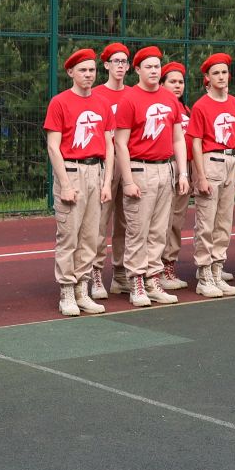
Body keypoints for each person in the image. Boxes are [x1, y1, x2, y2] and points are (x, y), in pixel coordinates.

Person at [112, 45, 190, 308]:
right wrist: (129, 180)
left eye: (157, 66)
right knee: (138, 229)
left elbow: (178, 138)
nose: (154, 71)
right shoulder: (130, 99)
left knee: (159, 230)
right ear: (137, 70)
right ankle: (136, 281)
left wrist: (182, 172)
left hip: (165, 169)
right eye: (149, 66)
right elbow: (120, 143)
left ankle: (153, 280)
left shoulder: (170, 99)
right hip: (139, 168)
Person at [43, 48, 112, 317]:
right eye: (82, 70)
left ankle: (83, 289)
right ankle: (67, 292)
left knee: (91, 236)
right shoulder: (60, 102)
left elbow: (110, 145)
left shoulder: (103, 103)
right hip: (71, 171)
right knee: (69, 235)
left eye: (92, 70)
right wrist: (66, 184)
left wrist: (107, 182)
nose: (88, 75)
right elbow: (53, 147)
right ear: (71, 72)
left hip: (96, 171)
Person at [186, 53, 235, 298]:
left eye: (224, 72)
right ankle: (204, 274)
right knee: (206, 221)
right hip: (211, 162)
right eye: (216, 73)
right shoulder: (202, 105)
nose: (221, 77)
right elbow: (196, 142)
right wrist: (200, 175)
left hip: (231, 161)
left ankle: (218, 269)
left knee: (224, 221)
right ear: (207, 79)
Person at [94, 42, 132, 298]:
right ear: (106, 65)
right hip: (105, 165)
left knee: (126, 222)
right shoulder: (96, 94)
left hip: (129, 163)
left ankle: (120, 275)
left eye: (124, 62)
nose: (120, 66)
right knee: (99, 221)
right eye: (115, 61)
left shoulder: (133, 94)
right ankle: (96, 274)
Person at [157, 61, 192, 289]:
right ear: (162, 84)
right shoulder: (160, 108)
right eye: (172, 81)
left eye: (180, 82)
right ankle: (155, 270)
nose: (177, 86)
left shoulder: (186, 109)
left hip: (183, 170)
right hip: (163, 167)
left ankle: (169, 266)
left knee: (177, 221)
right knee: (160, 222)